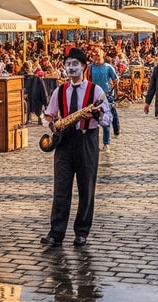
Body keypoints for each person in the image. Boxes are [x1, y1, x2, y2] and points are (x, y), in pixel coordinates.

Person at [40, 48, 112, 246]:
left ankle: (81, 231)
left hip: (86, 140)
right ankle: (56, 233)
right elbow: (48, 115)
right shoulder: (60, 90)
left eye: (75, 64)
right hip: (64, 141)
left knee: (86, 188)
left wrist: (96, 115)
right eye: (68, 64)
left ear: (83, 67)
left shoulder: (95, 91)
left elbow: (107, 119)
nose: (71, 68)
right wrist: (51, 123)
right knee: (61, 188)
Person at [88, 46, 120, 149]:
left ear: (102, 54)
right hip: (95, 96)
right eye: (94, 54)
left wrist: (115, 91)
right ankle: (94, 143)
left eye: (97, 53)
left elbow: (116, 80)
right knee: (94, 120)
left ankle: (106, 143)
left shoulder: (108, 67)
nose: (96, 56)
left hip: (106, 95)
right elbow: (88, 81)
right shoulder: (90, 67)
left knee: (105, 119)